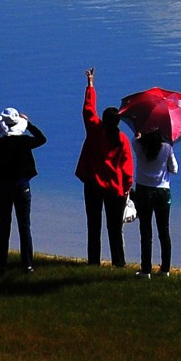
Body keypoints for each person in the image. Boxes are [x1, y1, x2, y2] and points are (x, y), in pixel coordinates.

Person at [75, 68, 134, 267]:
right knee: (114, 228)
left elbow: (88, 109)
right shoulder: (123, 141)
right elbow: (127, 169)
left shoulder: (95, 130)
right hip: (114, 189)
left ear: (104, 119)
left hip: (92, 185)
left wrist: (90, 85)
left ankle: (93, 262)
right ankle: (119, 263)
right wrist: (127, 189)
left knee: (94, 225)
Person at [0, 107, 48, 274]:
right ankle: (27, 265)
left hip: (3, 188)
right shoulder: (25, 141)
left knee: (4, 229)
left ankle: (1, 265)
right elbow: (42, 139)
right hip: (22, 186)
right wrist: (30, 123)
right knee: (24, 227)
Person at [132, 126, 178, 276]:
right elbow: (174, 169)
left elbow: (136, 137)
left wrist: (139, 133)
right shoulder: (167, 148)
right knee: (164, 231)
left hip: (143, 191)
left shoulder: (138, 145)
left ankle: (146, 270)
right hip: (162, 192)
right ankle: (165, 269)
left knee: (145, 232)